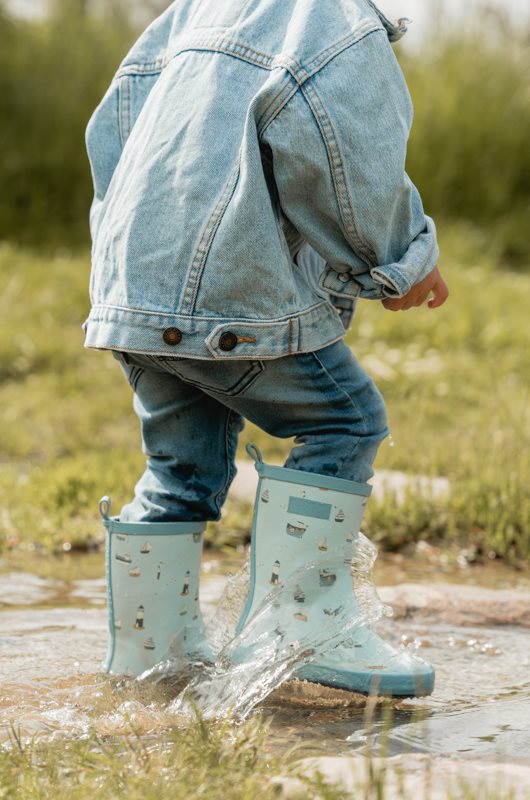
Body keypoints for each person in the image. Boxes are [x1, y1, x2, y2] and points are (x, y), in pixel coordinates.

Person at [86, 0, 448, 692]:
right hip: (230, 289)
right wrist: (400, 253)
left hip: (133, 284)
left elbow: (113, 133)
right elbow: (345, 153)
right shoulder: (333, 20)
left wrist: (124, 274)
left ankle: (149, 660)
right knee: (345, 419)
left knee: (178, 473)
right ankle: (302, 628)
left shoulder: (193, 10)